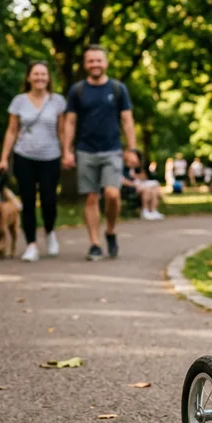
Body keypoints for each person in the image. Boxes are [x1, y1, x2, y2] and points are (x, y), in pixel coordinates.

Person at [62, 44, 139, 261]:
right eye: (91, 61)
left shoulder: (117, 89)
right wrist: (67, 151)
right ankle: (95, 243)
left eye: (99, 60)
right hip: (85, 150)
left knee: (112, 195)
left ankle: (111, 231)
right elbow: (70, 122)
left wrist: (131, 149)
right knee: (91, 198)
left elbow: (127, 119)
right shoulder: (78, 91)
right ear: (85, 64)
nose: (95, 64)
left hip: (112, 150)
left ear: (106, 63)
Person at [0, 61, 66, 262]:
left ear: (48, 78)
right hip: (24, 156)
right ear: (28, 77)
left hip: (51, 157)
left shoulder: (58, 101)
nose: (39, 78)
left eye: (43, 74)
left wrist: (67, 153)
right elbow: (11, 131)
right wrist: (3, 158)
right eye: (35, 74)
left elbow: (62, 131)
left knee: (49, 200)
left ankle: (50, 231)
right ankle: (31, 245)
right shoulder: (19, 101)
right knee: (27, 201)